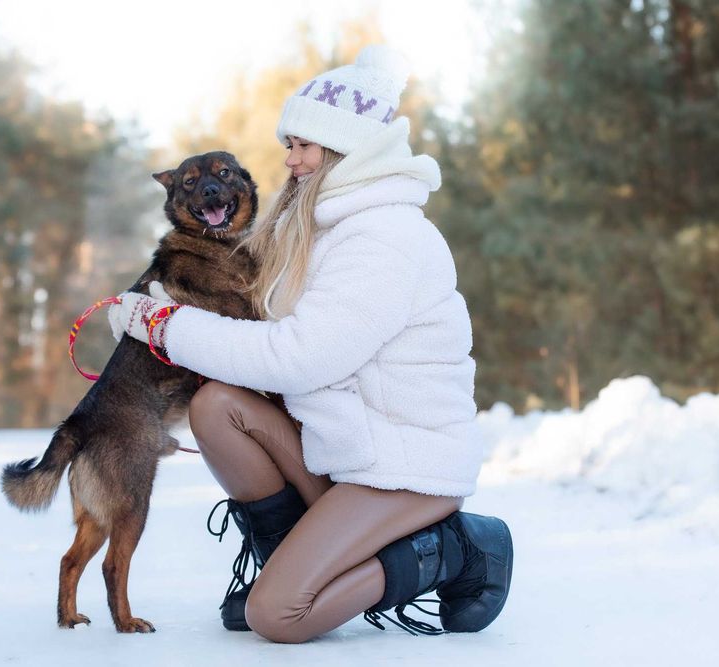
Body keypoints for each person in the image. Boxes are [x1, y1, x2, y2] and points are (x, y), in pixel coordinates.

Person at [108, 45, 513, 644]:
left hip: (401, 467)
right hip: (342, 450)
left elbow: (297, 358)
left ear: (344, 148)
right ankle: (295, 551)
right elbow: (246, 315)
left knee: (278, 615)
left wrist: (167, 328)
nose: (290, 161)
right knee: (216, 406)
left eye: (302, 146)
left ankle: (455, 549)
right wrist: (152, 305)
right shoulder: (321, 227)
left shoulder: (385, 238)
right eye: (289, 147)